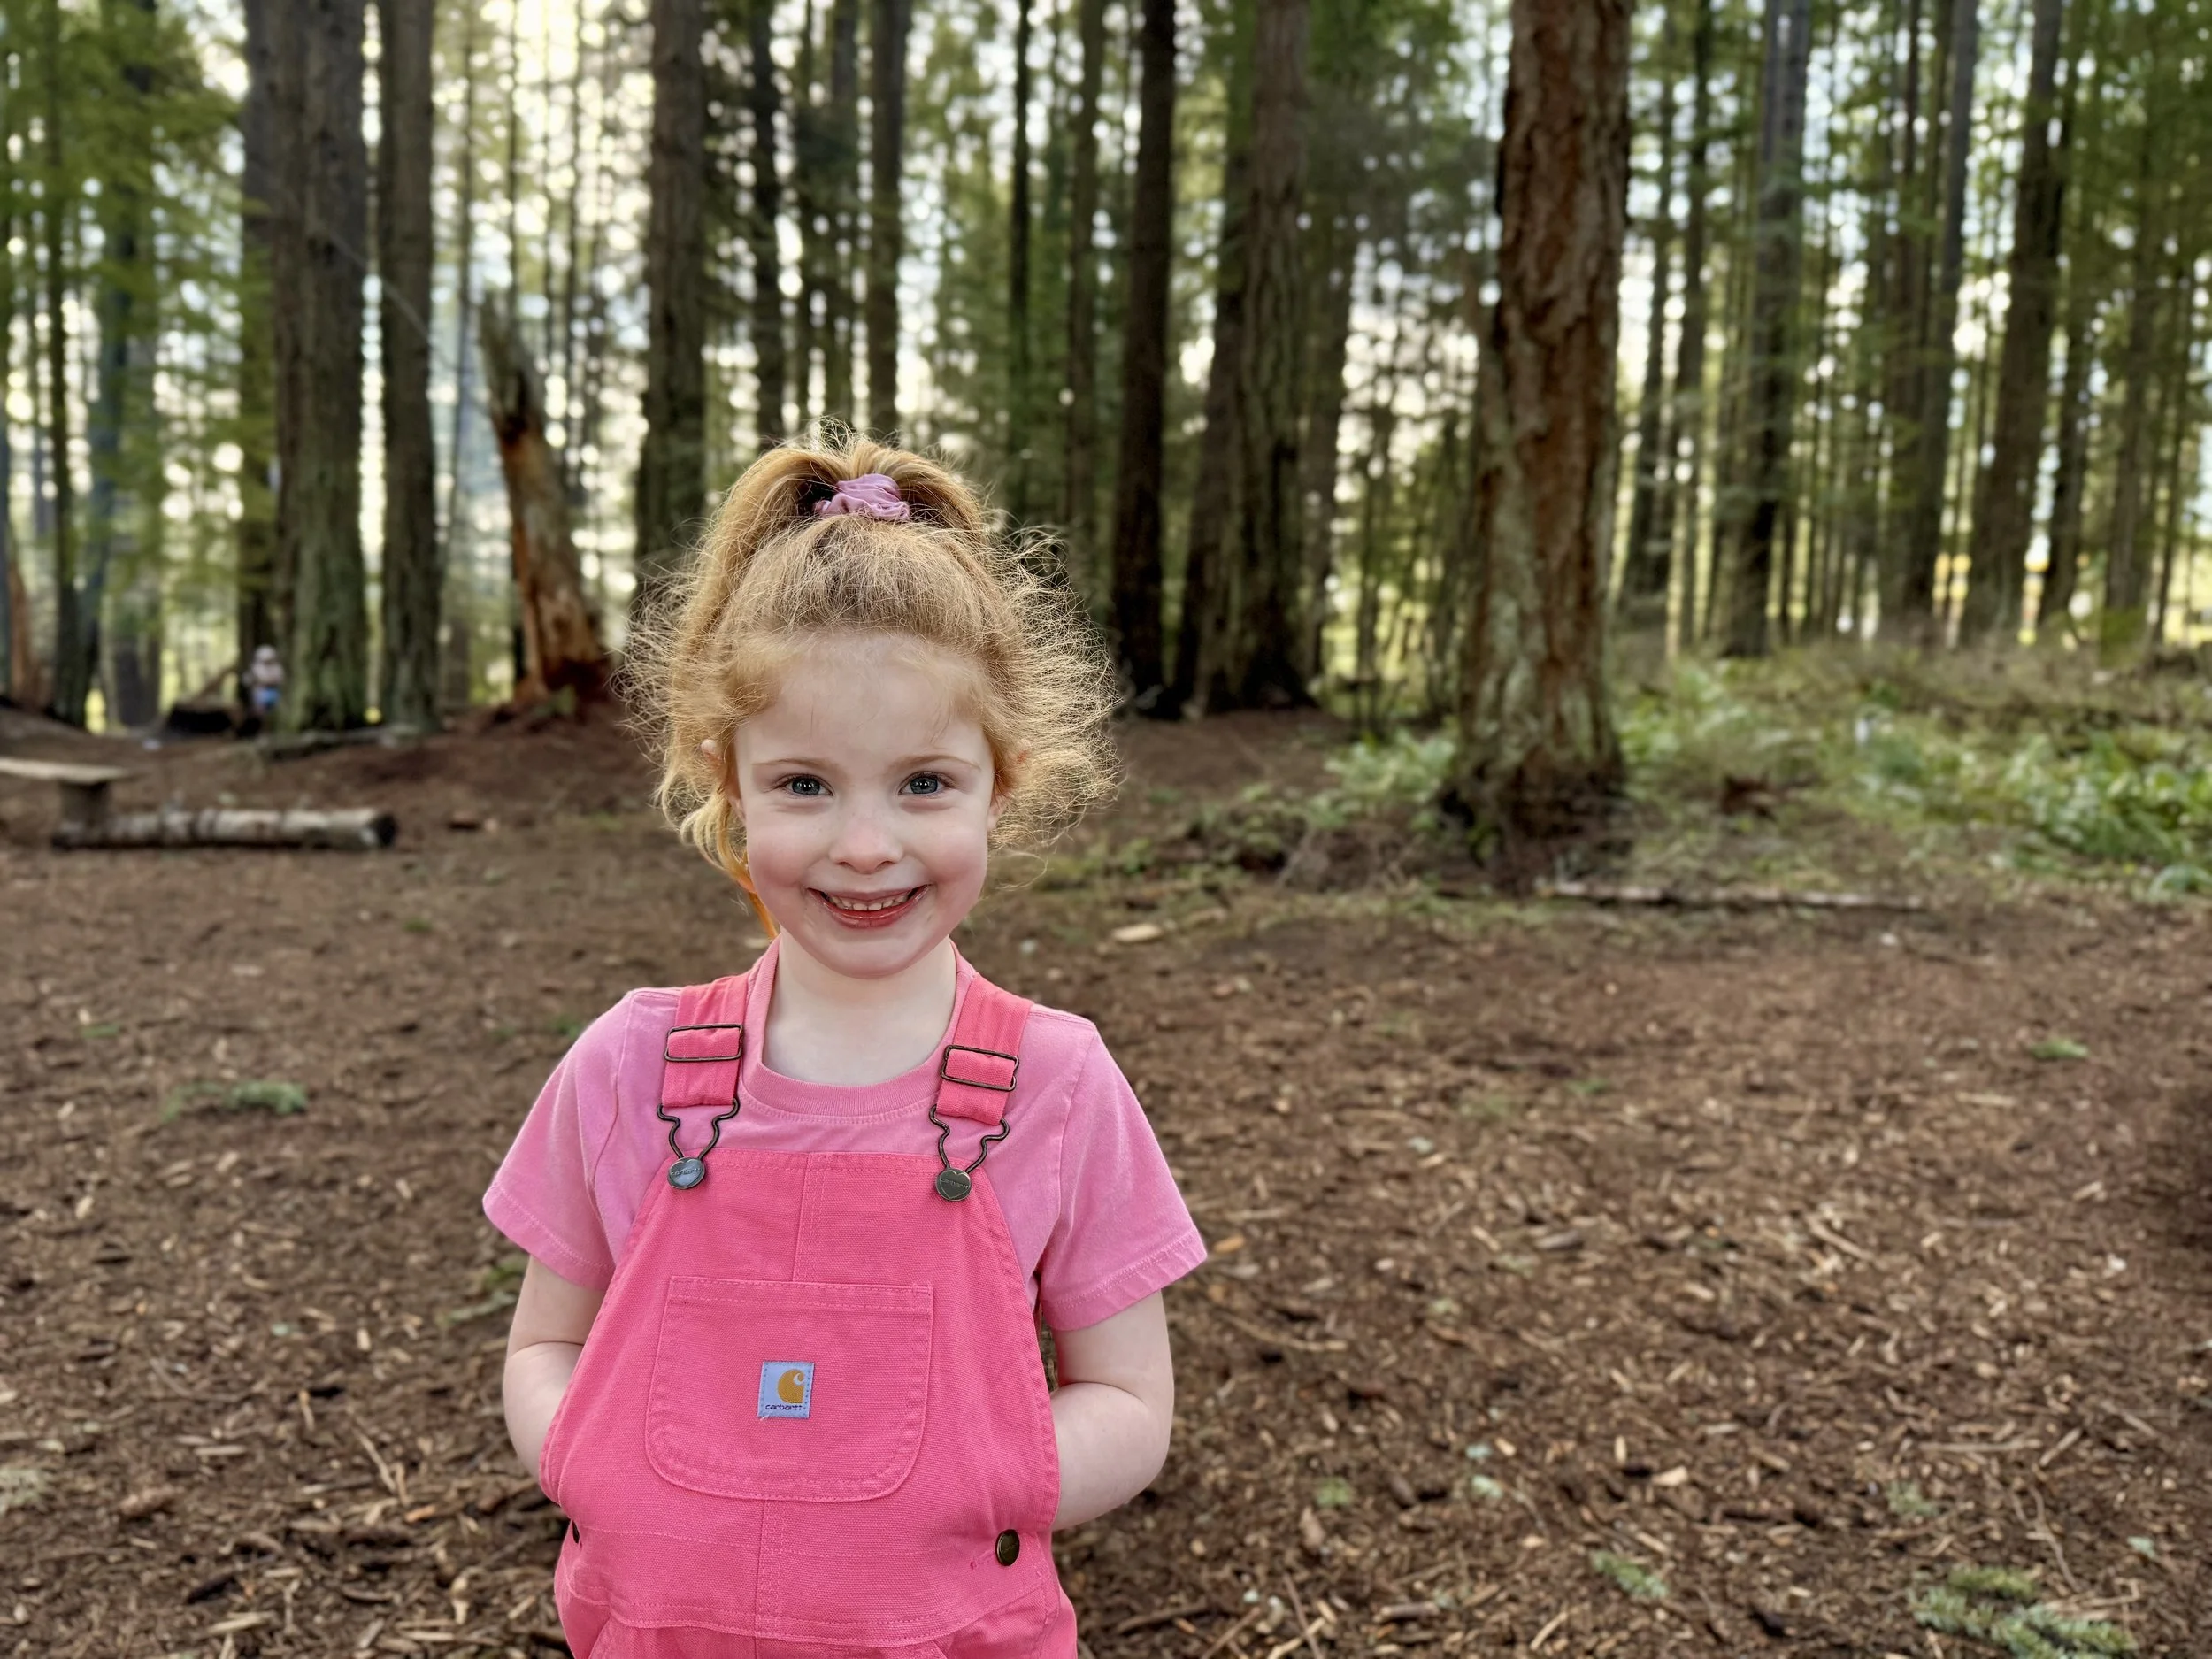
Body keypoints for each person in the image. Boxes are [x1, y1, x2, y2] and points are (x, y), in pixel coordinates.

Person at [485, 440, 1207, 1658]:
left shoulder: (1058, 1085)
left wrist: (987, 1472)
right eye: (806, 783)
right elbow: (547, 1342)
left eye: (924, 781)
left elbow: (1131, 1399)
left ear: (1002, 784)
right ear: (731, 784)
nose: (866, 844)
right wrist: (589, 1457)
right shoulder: (630, 1068)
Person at [245, 644, 283, 724]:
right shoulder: (256, 668)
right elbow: (248, 680)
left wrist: (266, 681)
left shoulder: (277, 668)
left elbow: (278, 680)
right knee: (260, 712)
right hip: (260, 692)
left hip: (272, 692)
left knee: (272, 713)